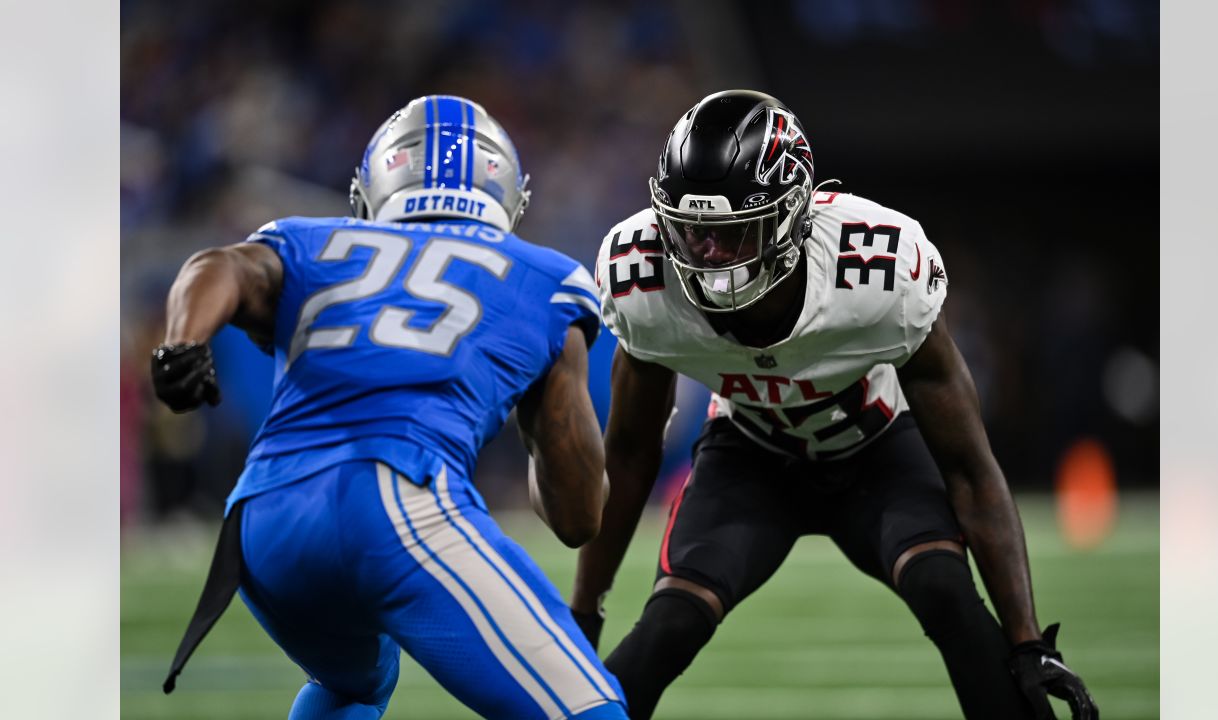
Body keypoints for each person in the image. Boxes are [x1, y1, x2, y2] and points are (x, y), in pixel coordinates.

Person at [570, 89, 1098, 720]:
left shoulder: (876, 269)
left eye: (732, 234)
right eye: (691, 232)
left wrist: (1028, 642)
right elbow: (628, 455)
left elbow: (969, 468)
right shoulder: (643, 277)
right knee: (669, 625)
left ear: (792, 214)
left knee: (945, 588)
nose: (707, 256)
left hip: (876, 448)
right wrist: (583, 618)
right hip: (750, 456)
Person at [151, 95, 628, 720]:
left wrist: (181, 344)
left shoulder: (309, 238)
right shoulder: (546, 277)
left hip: (264, 518)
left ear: (371, 189)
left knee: (352, 687)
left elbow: (218, 266)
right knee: (592, 710)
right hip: (395, 497)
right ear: (508, 194)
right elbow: (577, 516)